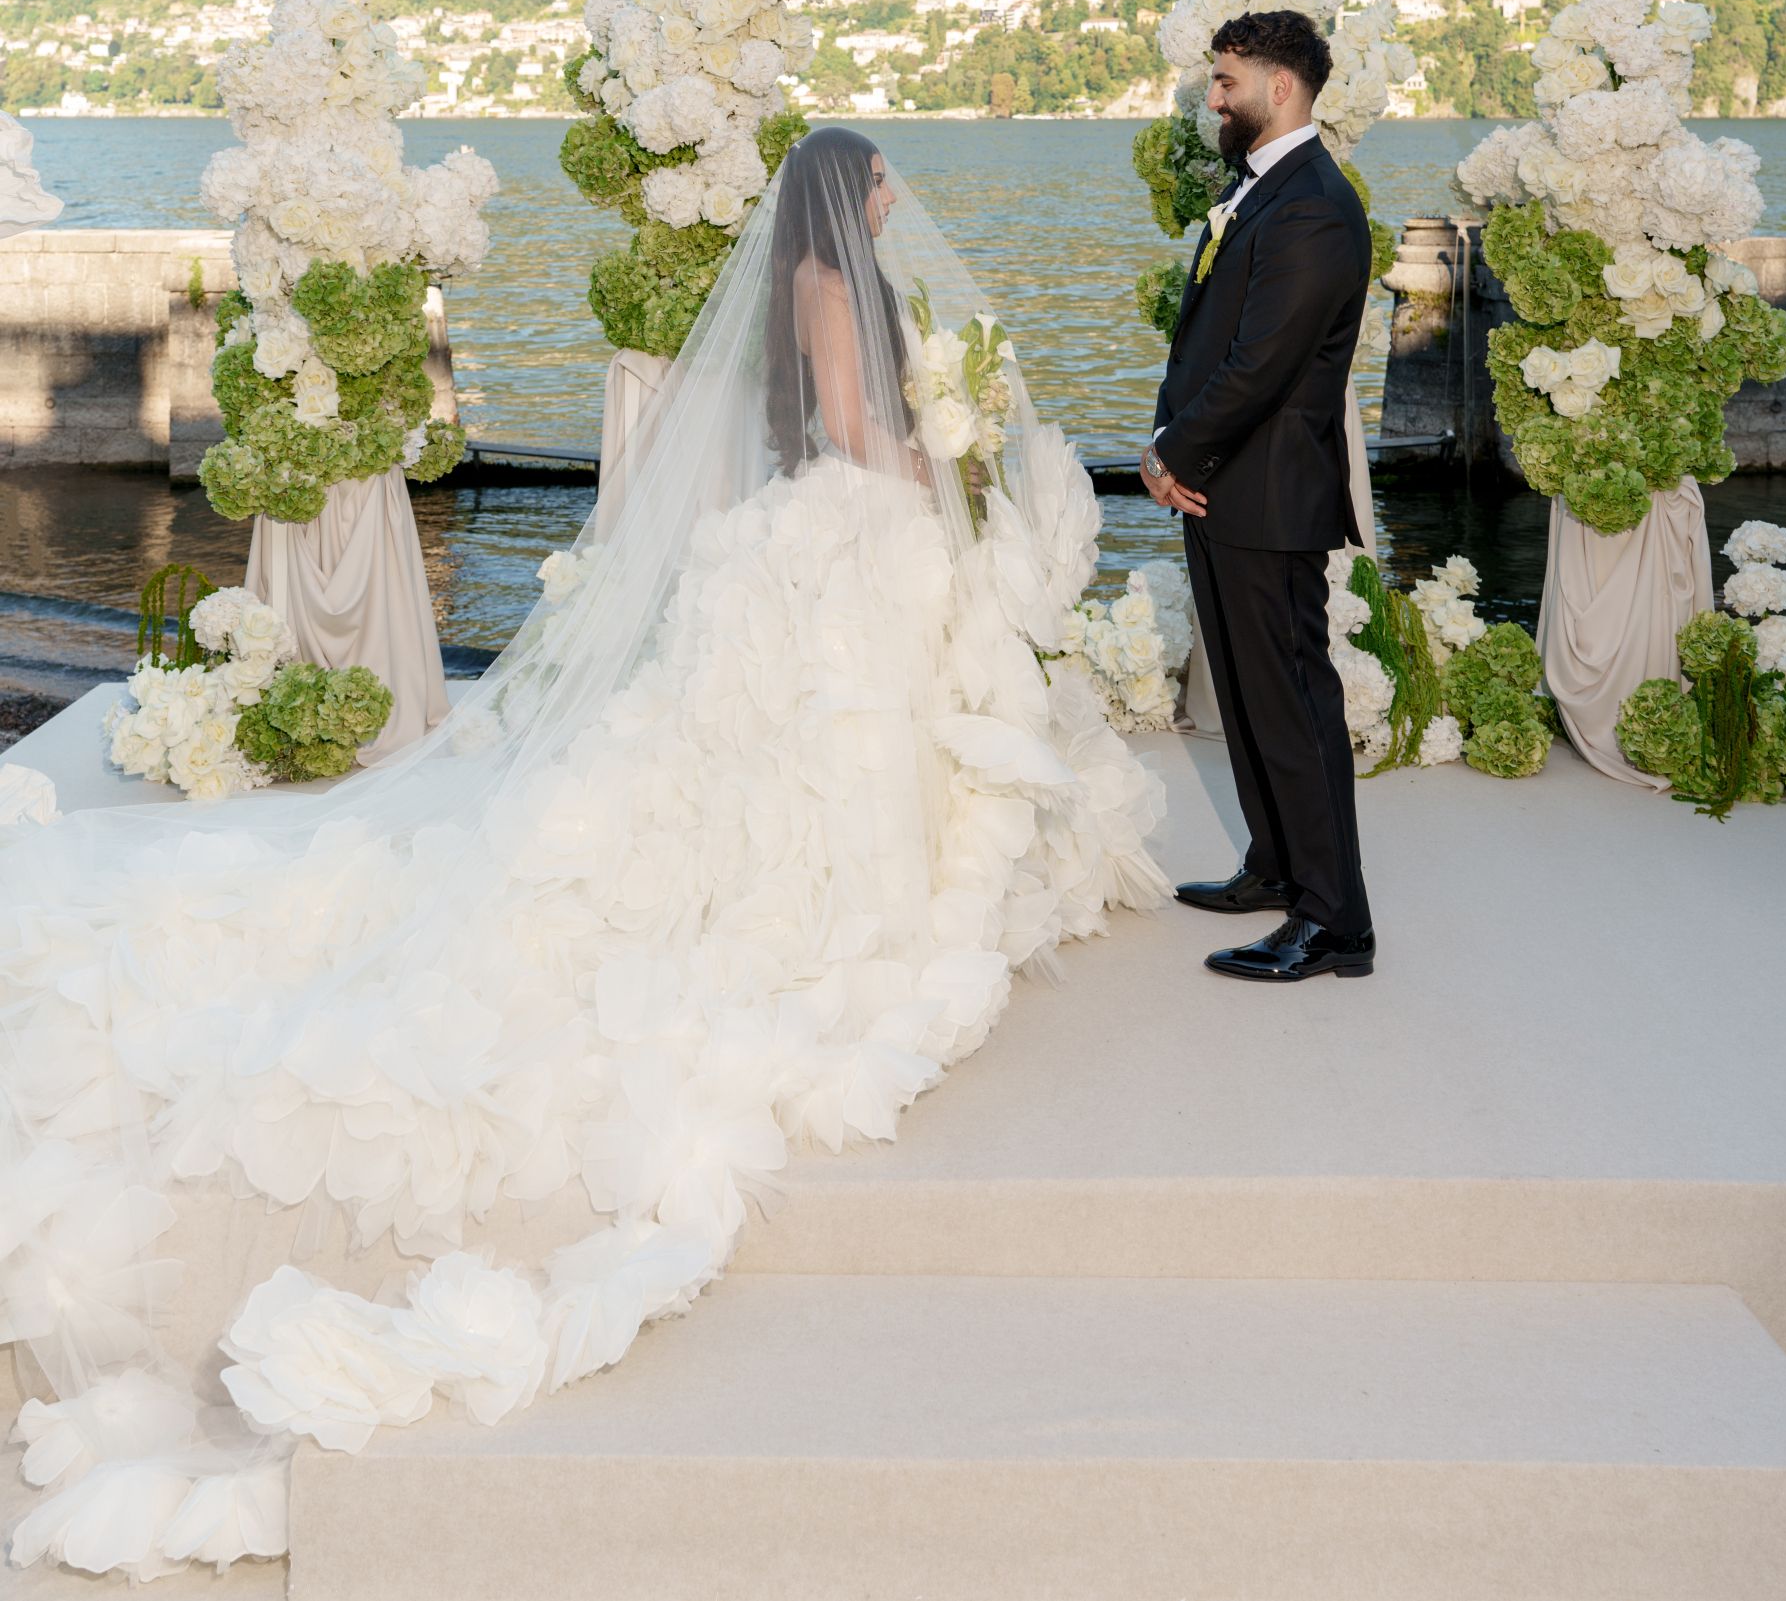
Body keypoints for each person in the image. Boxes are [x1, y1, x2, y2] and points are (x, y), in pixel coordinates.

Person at [0, 128, 1166, 1583]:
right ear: (848, 190)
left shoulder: (817, 266)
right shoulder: (826, 273)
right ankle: (825, 903)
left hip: (825, 538)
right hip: (854, 529)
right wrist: (947, 463)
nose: (889, 202)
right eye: (878, 182)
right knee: (816, 746)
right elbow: (860, 427)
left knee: (809, 743)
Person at [1140, 11, 1375, 983]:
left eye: (1227, 79)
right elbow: (1208, 340)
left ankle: (1335, 922)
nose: (1215, 96)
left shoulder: (1315, 204)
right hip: (1221, 488)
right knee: (1244, 695)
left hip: (1268, 494)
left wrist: (1167, 448)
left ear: (1281, 87)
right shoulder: (1255, 194)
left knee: (1291, 705)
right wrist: (1173, 445)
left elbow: (1259, 365)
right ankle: (1277, 865)